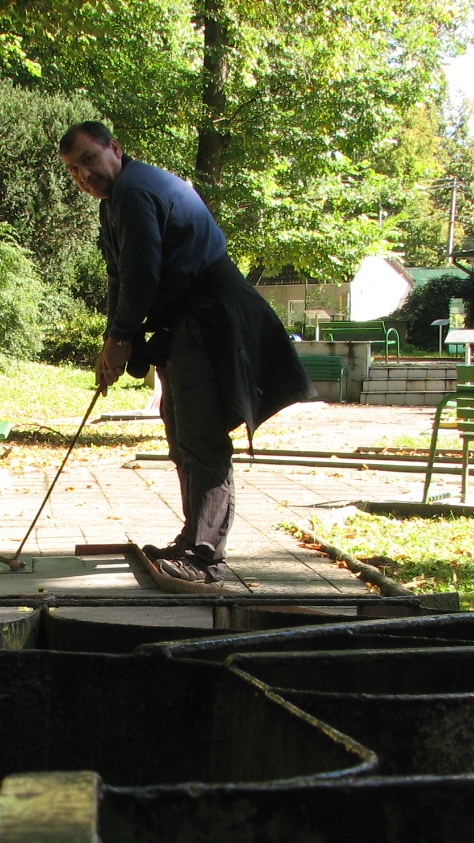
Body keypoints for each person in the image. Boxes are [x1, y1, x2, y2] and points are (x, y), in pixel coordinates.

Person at [58, 121, 311, 583]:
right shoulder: (114, 202)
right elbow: (119, 277)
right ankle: (193, 537)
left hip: (211, 319)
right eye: (74, 170)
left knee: (202, 439)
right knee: (181, 437)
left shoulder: (135, 192)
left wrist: (123, 339)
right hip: (182, 324)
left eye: (89, 160)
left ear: (115, 148)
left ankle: (205, 557)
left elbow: (142, 275)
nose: (84, 176)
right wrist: (113, 340)